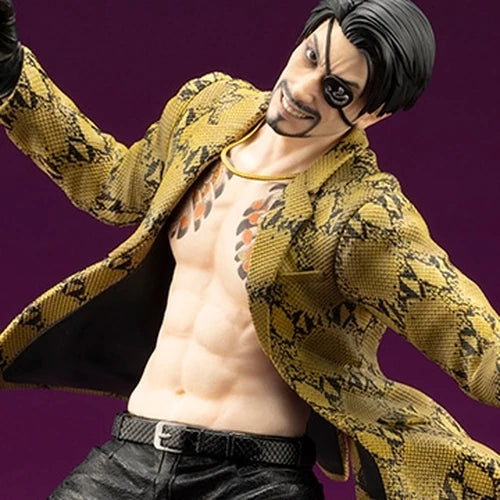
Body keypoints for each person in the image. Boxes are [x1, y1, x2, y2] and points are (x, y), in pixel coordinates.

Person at [0, 0, 499, 498]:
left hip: (253, 479)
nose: (302, 89)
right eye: (310, 57)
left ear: (374, 113)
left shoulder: (362, 212)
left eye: (336, 91)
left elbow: (466, 332)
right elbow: (111, 184)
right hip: (132, 453)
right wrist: (11, 74)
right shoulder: (207, 113)